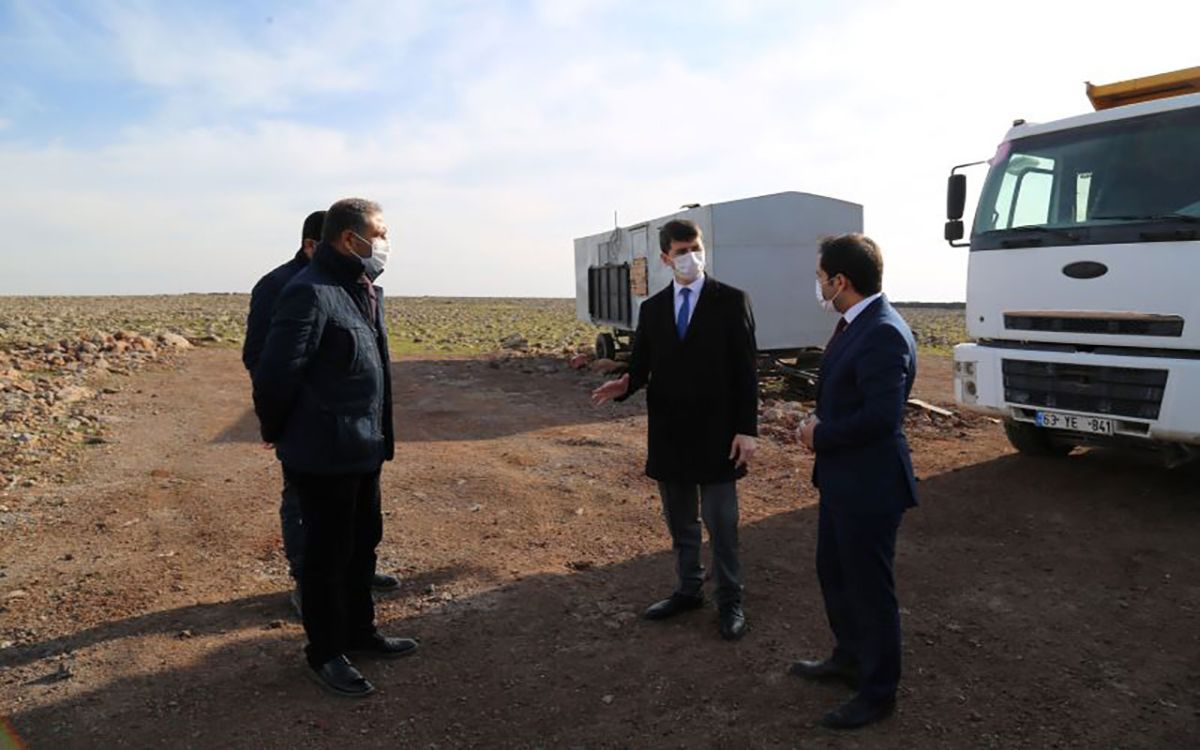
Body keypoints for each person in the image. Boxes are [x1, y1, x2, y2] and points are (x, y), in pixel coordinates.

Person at [252, 198, 415, 698]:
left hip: (363, 448)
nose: (385, 243)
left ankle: (359, 632)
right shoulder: (310, 292)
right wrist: (281, 432)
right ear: (349, 238)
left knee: (363, 544)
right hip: (322, 453)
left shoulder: (361, 289)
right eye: (380, 234)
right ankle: (324, 652)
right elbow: (275, 374)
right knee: (327, 556)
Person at [592, 219, 758, 641]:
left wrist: (747, 429)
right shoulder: (652, 310)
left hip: (719, 435)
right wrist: (626, 384)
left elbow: (746, 372)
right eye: (682, 251)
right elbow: (642, 366)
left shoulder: (731, 301)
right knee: (681, 522)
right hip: (670, 433)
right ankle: (688, 590)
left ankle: (730, 600)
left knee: (722, 524)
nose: (691, 257)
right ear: (666, 258)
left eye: (695, 248)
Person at [793, 233, 919, 730]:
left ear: (840, 281)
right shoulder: (856, 323)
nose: (819, 285)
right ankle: (848, 659)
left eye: (821, 277)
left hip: (870, 485)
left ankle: (878, 692)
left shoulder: (883, 331)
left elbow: (882, 418)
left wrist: (820, 434)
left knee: (869, 589)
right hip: (842, 481)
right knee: (835, 572)